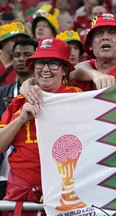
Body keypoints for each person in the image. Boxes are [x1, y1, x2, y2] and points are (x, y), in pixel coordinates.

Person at [0, 37, 82, 216]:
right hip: (20, 197)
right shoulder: (19, 102)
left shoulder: (79, 100)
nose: (45, 69)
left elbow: (90, 148)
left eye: (53, 63)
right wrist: (21, 119)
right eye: (40, 63)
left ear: (65, 69)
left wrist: (59, 188)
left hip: (64, 197)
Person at [0, 38, 38, 201]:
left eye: (27, 54)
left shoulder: (51, 92)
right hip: (4, 171)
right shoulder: (1, 93)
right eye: (17, 55)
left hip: (35, 175)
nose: (21, 59)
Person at [72, 13, 116, 91]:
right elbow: (73, 72)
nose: (105, 37)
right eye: (99, 33)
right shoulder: (78, 80)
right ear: (90, 45)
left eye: (112, 33)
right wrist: (94, 74)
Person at [0, 21, 30, 87]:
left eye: (22, 41)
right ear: (2, 41)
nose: (18, 44)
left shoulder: (25, 66)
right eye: (14, 40)